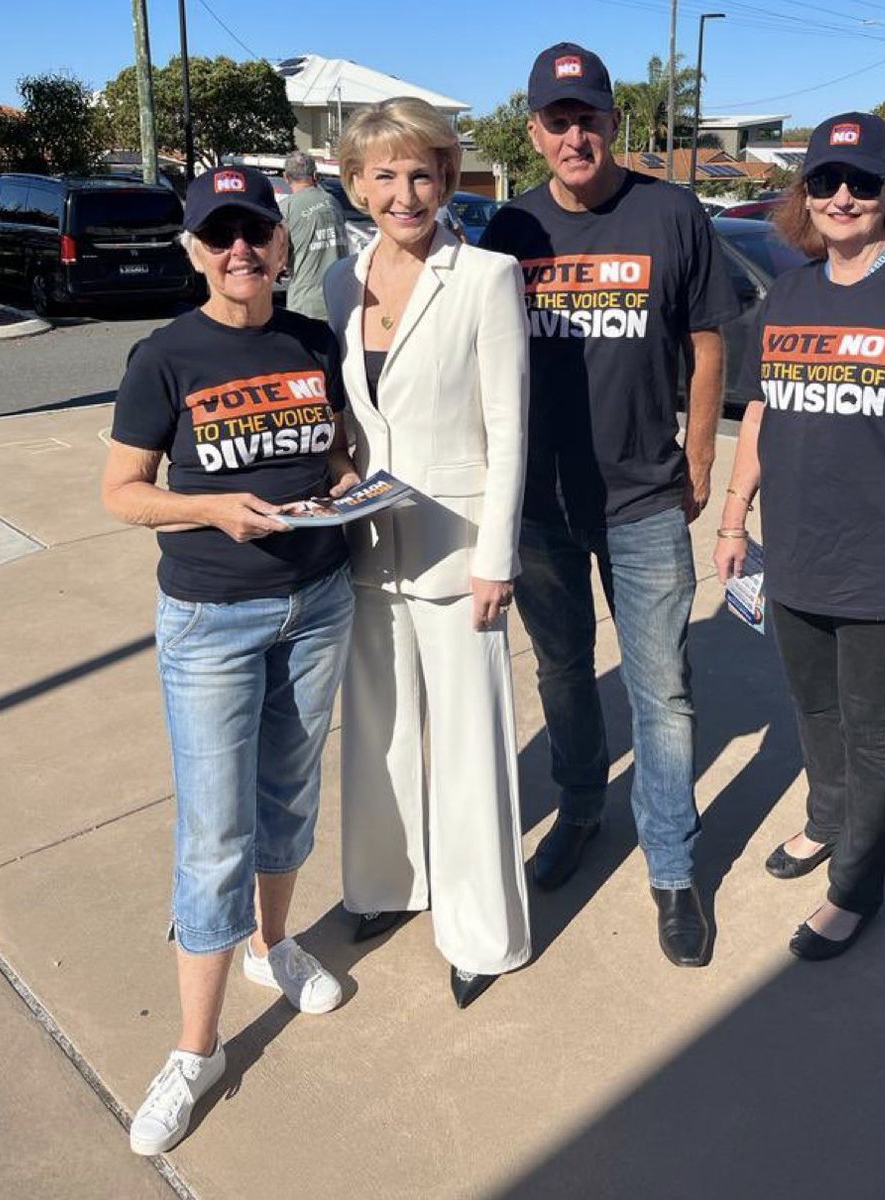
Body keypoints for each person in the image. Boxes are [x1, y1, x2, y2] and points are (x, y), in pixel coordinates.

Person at [101, 165, 357, 1154]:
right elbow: (123, 491)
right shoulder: (164, 355)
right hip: (212, 617)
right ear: (196, 251)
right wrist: (208, 505)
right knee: (215, 831)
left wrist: (350, 485)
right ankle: (197, 1049)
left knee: (290, 797)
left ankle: (275, 946)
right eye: (222, 234)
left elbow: (330, 445)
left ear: (283, 243)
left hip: (319, 597)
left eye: (257, 229)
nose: (242, 248)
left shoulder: (312, 342)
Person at [481, 43, 739, 968]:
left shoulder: (671, 211)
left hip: (641, 495)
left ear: (613, 124)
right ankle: (581, 810)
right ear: (535, 132)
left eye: (588, 116)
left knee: (661, 691)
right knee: (559, 670)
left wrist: (701, 450)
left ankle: (672, 870)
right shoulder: (508, 228)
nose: (574, 133)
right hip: (539, 502)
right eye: (557, 120)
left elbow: (708, 339)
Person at [713, 112, 885, 960]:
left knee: (873, 729)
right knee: (813, 706)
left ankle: (854, 887)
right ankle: (824, 821)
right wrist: (732, 517)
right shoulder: (788, 292)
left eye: (860, 182)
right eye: (824, 181)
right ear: (803, 196)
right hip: (795, 551)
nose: (840, 196)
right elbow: (758, 411)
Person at [323, 97, 531, 1009]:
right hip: (367, 542)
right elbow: (345, 414)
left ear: (447, 179)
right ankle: (384, 885)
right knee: (377, 730)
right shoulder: (339, 280)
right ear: (355, 183)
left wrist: (498, 556)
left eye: (421, 173)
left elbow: (509, 426)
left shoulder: (485, 275)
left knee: (471, 741)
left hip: (459, 549)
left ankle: (481, 927)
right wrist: (332, 468)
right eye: (383, 175)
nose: (404, 192)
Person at [282, 149, 349, 319]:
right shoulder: (333, 202)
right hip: (340, 299)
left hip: (306, 304)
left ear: (286, 177)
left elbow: (279, 259)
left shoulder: (286, 208)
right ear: (315, 175)